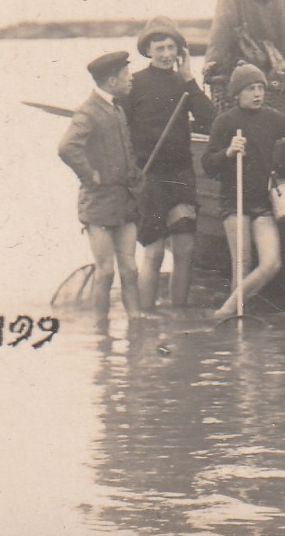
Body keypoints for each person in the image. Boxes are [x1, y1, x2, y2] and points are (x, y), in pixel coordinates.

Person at [201, 64, 285, 319]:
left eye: (260, 88)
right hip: (234, 202)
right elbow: (208, 165)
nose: (257, 94)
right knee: (242, 267)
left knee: (271, 264)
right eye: (250, 89)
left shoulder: (271, 118)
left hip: (262, 203)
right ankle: (237, 321)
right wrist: (228, 152)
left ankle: (226, 312)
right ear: (237, 94)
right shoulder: (225, 122)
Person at [123, 16, 216, 310]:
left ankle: (178, 318)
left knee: (185, 247)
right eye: (159, 48)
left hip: (180, 175)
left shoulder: (184, 83)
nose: (166, 54)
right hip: (148, 175)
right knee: (154, 252)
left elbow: (211, 121)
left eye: (171, 48)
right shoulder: (134, 84)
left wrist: (191, 80)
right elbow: (120, 130)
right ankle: (145, 319)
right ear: (148, 50)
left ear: (180, 52)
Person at [57, 51, 145, 319]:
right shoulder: (88, 111)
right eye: (126, 76)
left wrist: (136, 178)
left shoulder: (117, 107)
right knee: (106, 271)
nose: (131, 80)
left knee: (130, 269)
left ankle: (136, 321)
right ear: (111, 80)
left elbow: (126, 150)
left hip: (123, 200)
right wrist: (88, 175)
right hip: (98, 203)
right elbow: (67, 148)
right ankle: (101, 330)